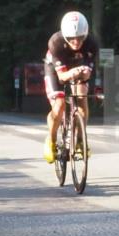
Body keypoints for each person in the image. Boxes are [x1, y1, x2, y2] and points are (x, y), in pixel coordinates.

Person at [43, 11, 100, 163]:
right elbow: (61, 77)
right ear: (65, 36)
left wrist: (86, 72)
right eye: (71, 38)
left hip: (77, 67)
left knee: (82, 95)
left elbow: (89, 71)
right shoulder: (55, 43)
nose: (76, 42)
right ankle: (52, 140)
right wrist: (72, 72)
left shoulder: (92, 43)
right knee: (60, 104)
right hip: (56, 70)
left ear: (85, 34)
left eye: (80, 37)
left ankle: (80, 139)